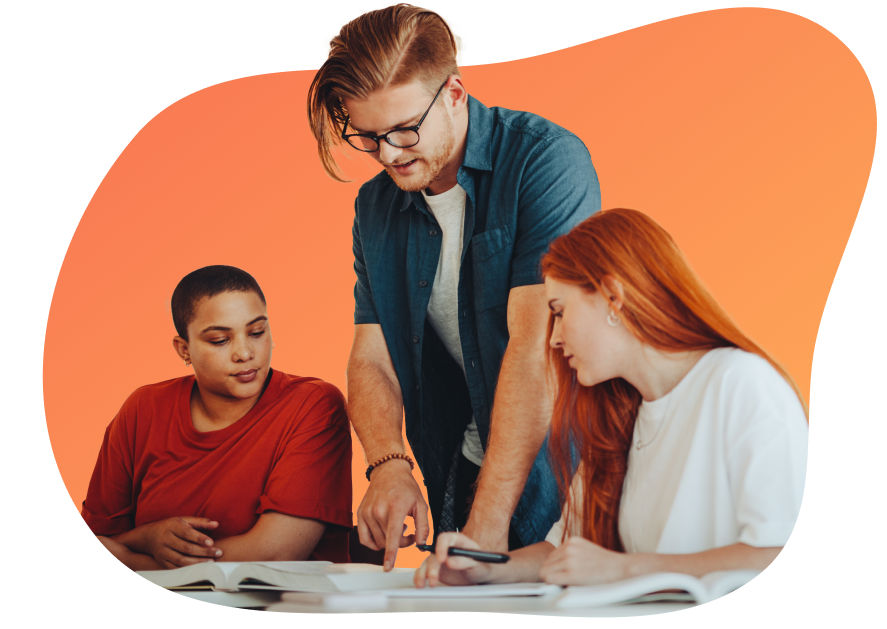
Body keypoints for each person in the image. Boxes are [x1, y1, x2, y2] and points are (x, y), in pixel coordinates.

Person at [307, 3, 601, 570]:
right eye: (367, 137)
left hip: (565, 480)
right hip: (461, 469)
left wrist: (486, 529)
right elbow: (373, 357)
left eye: (404, 129)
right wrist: (389, 465)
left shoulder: (545, 162)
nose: (389, 154)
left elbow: (536, 347)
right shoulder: (375, 206)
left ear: (455, 94)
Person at [414, 208, 809, 587]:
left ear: (613, 297)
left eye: (560, 311)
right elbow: (565, 551)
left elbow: (781, 557)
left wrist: (625, 570)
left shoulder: (741, 383)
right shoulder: (619, 413)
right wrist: (485, 570)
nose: (553, 338)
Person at [81, 265, 353, 569]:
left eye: (257, 332)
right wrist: (147, 537)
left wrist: (133, 558)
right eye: (220, 340)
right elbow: (98, 538)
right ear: (184, 349)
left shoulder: (314, 404)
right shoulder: (142, 410)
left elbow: (274, 555)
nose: (245, 352)